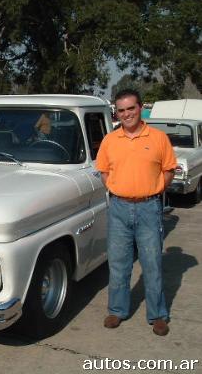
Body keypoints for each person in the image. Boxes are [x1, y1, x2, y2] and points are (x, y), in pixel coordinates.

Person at [96, 89, 176, 336]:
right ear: (117, 113)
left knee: (152, 263)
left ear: (140, 108)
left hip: (149, 208)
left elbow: (169, 169)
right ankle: (117, 310)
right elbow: (103, 170)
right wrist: (113, 188)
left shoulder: (159, 138)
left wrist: (155, 189)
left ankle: (158, 315)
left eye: (131, 108)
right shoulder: (110, 140)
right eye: (121, 110)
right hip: (119, 208)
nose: (126, 114)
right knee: (119, 264)